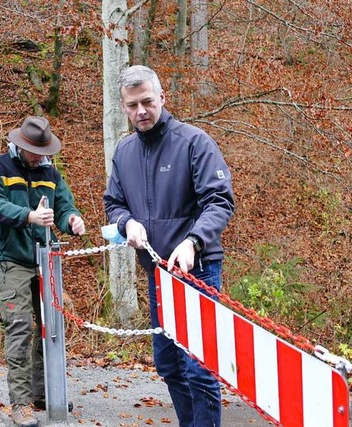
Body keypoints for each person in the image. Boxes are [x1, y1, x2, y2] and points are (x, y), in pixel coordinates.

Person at [103, 65, 235, 427]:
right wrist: (126, 223)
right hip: (157, 273)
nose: (141, 111)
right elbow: (114, 203)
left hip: (198, 269)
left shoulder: (194, 142)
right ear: (124, 107)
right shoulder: (124, 151)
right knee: (169, 365)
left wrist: (194, 241)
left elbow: (219, 201)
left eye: (147, 101)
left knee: (199, 368)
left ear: (162, 98)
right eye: (132, 105)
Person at [0, 116, 85, 427]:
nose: (40, 157)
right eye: (34, 152)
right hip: (8, 260)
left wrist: (72, 221)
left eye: (43, 151)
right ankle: (21, 404)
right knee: (20, 328)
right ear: (20, 146)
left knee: (50, 326)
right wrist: (29, 216)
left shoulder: (50, 172)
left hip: (44, 259)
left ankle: (43, 393)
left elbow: (65, 207)